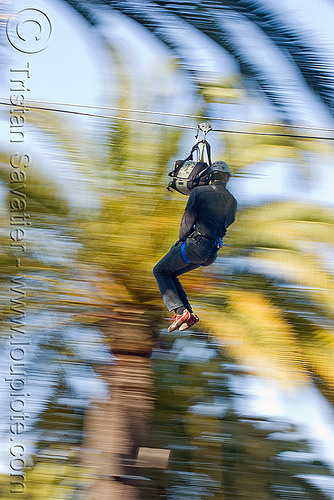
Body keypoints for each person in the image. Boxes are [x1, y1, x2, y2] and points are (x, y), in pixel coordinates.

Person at [153, 161, 237, 332]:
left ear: (209, 176)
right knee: (171, 274)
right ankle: (186, 314)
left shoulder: (199, 192)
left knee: (160, 270)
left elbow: (187, 221)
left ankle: (180, 312)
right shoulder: (232, 201)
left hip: (195, 246)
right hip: (211, 253)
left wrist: (181, 241)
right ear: (227, 178)